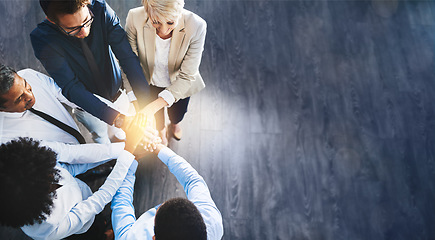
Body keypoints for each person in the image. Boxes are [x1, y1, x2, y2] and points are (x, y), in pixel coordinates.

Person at [31, 0, 169, 144]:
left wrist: (146, 104)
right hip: (86, 106)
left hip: (118, 92)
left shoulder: (100, 9)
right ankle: (106, 160)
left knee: (120, 132)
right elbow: (71, 86)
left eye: (86, 20)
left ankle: (118, 138)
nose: (84, 32)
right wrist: (118, 119)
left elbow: (127, 57)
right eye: (73, 29)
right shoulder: (42, 38)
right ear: (51, 20)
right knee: (100, 135)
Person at [0, 111, 146, 239]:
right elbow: (99, 200)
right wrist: (128, 153)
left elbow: (73, 169)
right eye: (49, 176)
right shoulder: (48, 225)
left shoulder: (34, 168)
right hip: (82, 231)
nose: (53, 173)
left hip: (84, 195)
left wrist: (124, 150)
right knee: (96, 232)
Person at [0, 64, 129, 163]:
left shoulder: (30, 75)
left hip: (80, 148)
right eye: (19, 99)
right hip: (61, 166)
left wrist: (120, 118)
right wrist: (127, 148)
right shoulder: (6, 138)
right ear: (2, 109)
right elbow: (67, 153)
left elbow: (71, 95)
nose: (30, 95)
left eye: (25, 85)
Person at [125, 0, 207, 145]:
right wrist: (136, 102)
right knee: (157, 118)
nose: (163, 30)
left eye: (170, 23)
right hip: (149, 82)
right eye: (156, 22)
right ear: (147, 11)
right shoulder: (134, 17)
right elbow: (127, 62)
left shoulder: (197, 26)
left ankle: (175, 124)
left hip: (179, 82)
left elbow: (187, 75)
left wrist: (149, 108)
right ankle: (161, 132)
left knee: (178, 114)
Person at [111, 141, 224, 239]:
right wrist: (159, 148)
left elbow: (122, 202)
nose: (158, 206)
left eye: (156, 212)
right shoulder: (212, 221)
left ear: (154, 238)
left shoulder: (130, 237)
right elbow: (193, 181)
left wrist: (130, 156)